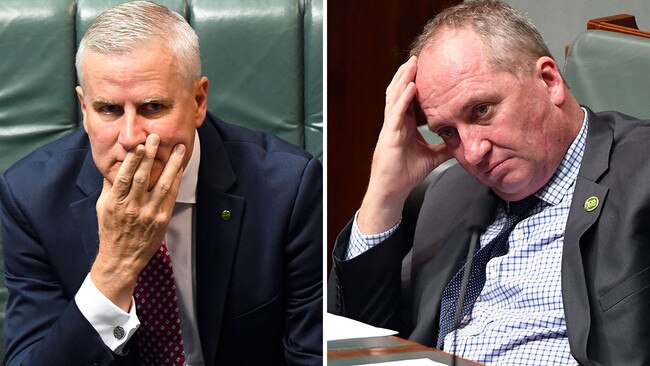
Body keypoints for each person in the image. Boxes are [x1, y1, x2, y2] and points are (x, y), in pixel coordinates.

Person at [328, 0, 650, 365]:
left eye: (481, 111)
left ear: (549, 80)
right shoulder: (450, 192)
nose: (472, 152)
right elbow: (359, 343)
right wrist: (384, 196)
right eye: (448, 132)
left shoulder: (640, 172)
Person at [0, 2, 322, 365]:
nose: (131, 136)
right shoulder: (30, 197)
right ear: (84, 109)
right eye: (108, 109)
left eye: (153, 108)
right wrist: (114, 268)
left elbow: (310, 354)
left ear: (198, 101)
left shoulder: (288, 186)